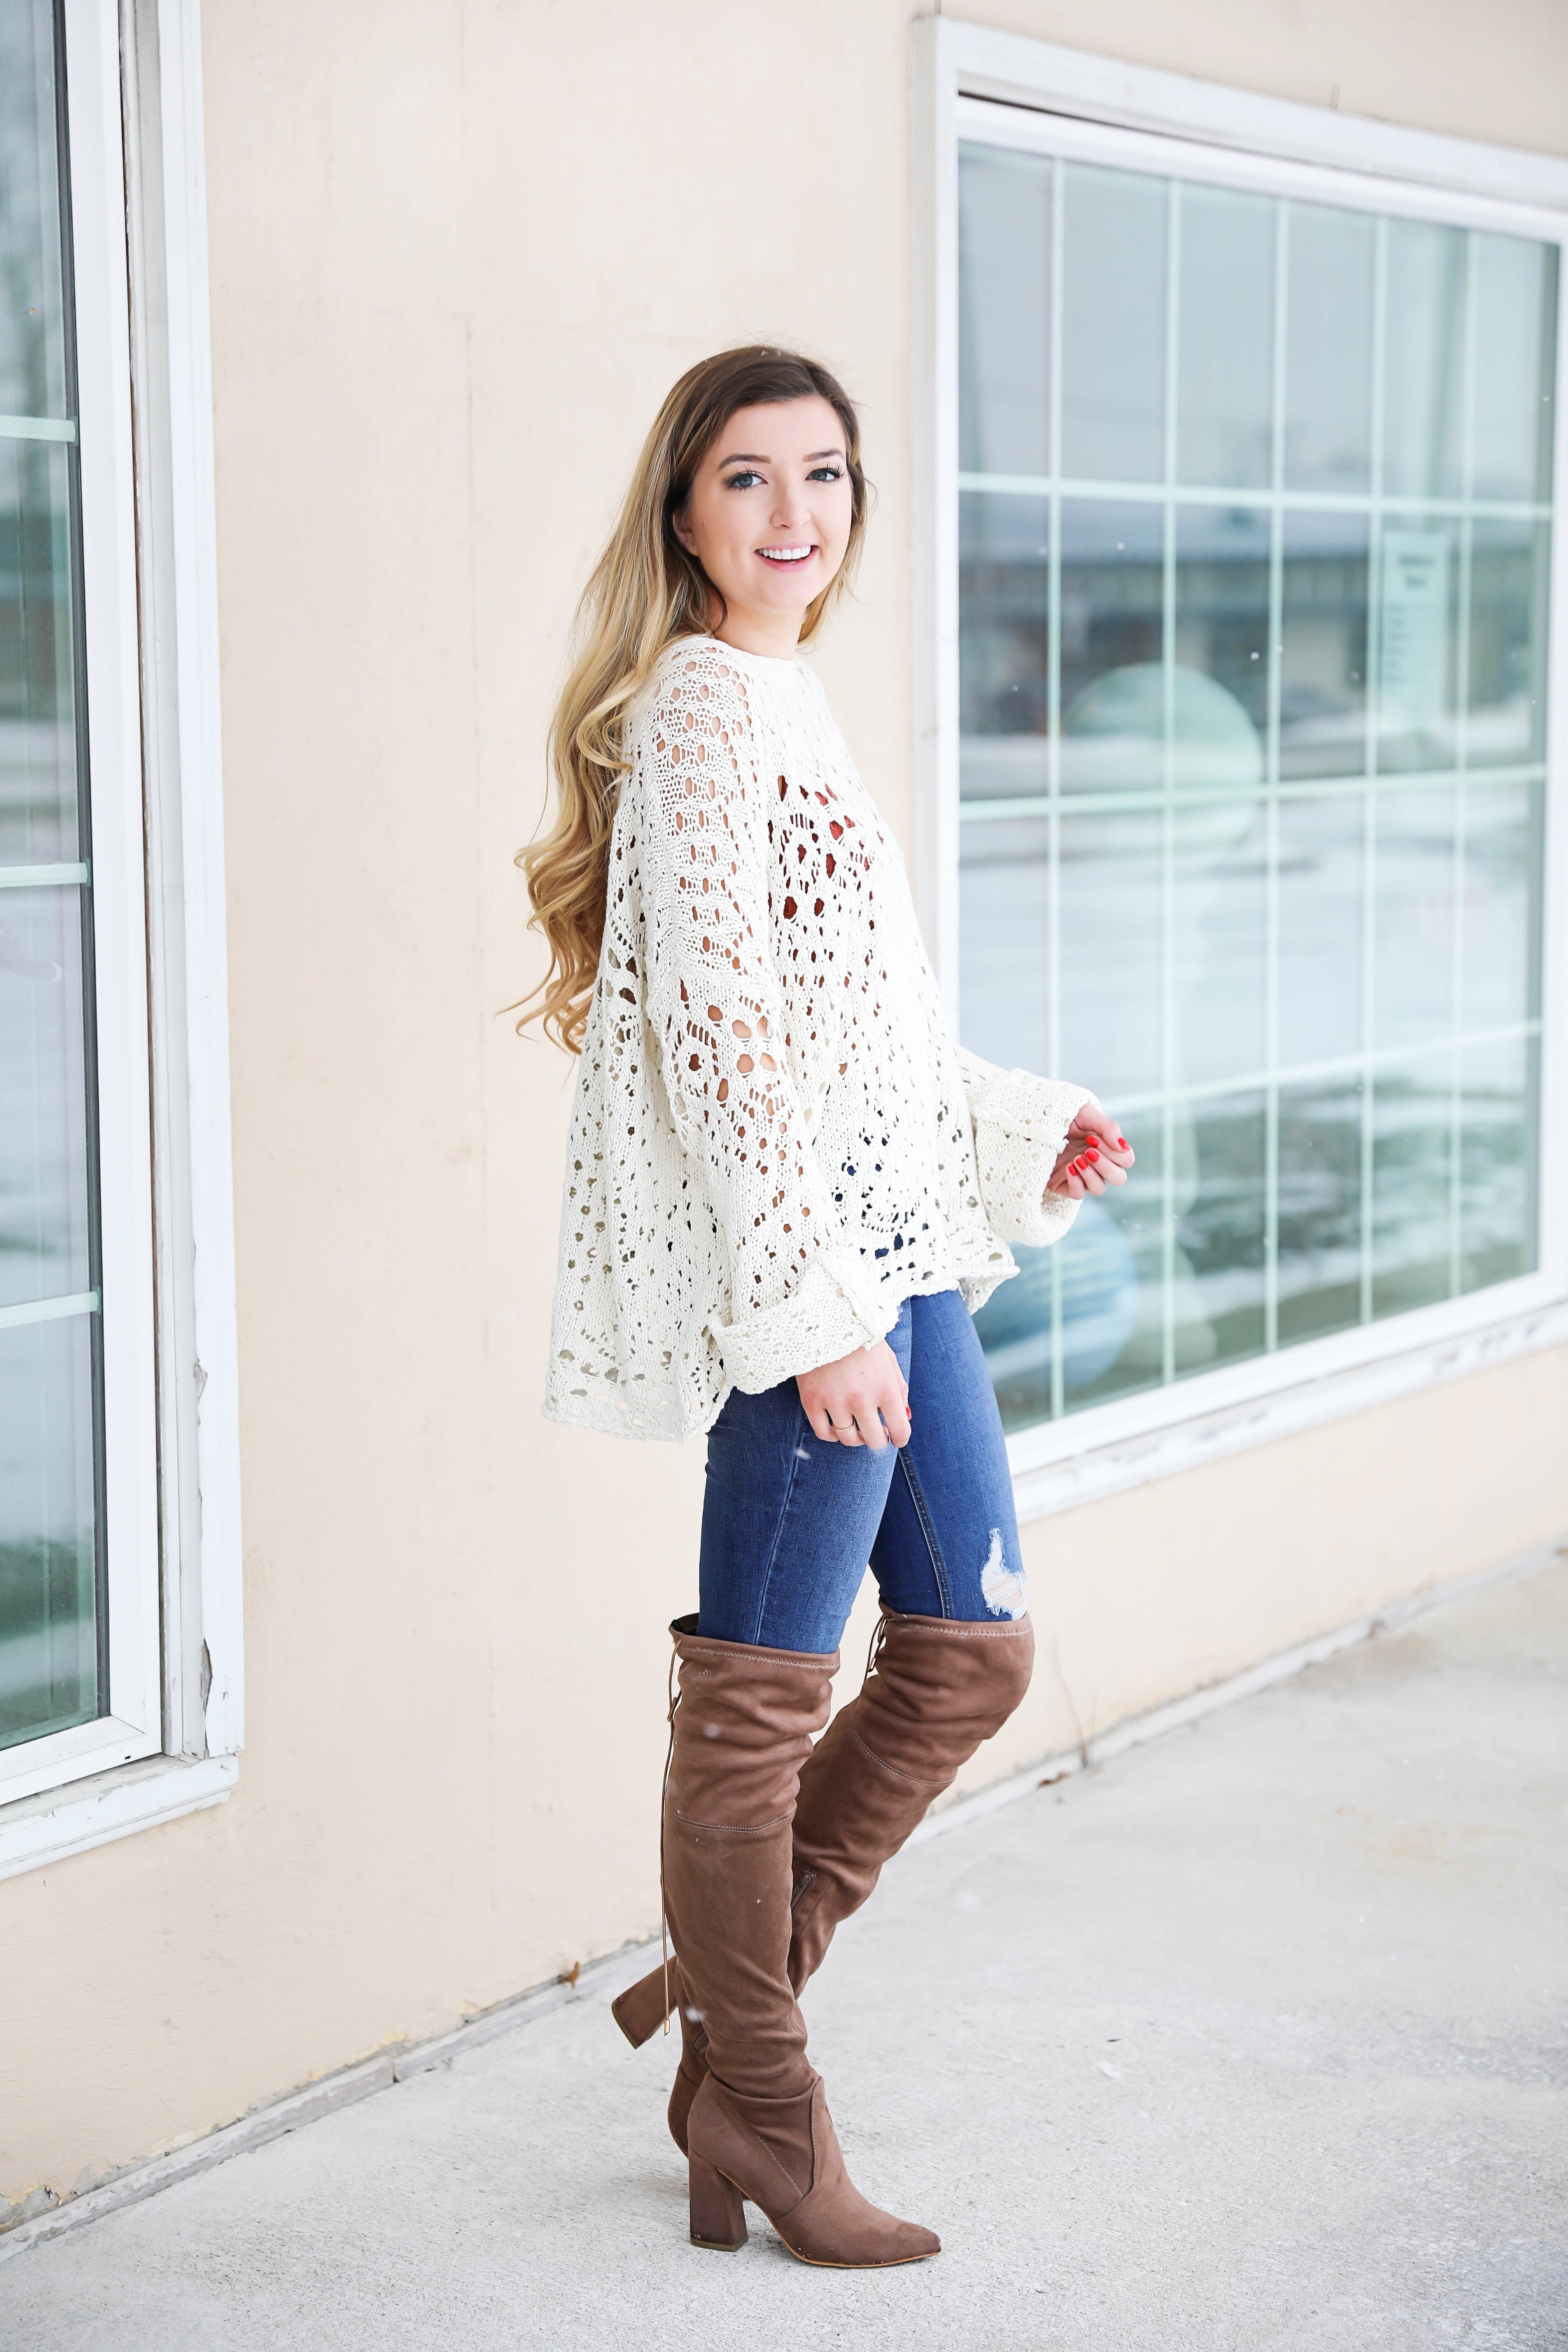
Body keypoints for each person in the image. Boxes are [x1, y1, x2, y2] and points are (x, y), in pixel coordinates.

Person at [521, 345, 1132, 2269]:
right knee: (758, 1712)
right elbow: (725, 1055)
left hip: (899, 1257)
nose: (798, 516)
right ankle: (768, 2117)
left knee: (969, 1652)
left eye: (828, 477)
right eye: (749, 481)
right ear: (684, 514)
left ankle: (721, 2023)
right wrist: (812, 1319)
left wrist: (1023, 1120)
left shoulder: (787, 698)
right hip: (819, 1296)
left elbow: (858, 1047)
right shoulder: (703, 712)